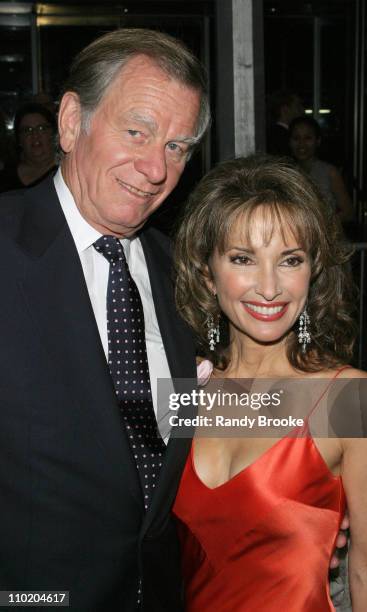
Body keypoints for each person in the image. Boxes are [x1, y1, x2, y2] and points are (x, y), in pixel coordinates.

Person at [0, 28, 210, 611]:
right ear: (72, 122)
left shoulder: (182, 273)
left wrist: (352, 431)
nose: (155, 168)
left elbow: (185, 414)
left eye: (177, 146)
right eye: (137, 131)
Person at [173, 155, 367, 611]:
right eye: (243, 259)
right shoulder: (180, 391)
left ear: (312, 272)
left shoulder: (352, 400)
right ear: (207, 273)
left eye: (290, 260)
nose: (270, 287)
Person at [289, 116, 354, 224]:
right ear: (290, 142)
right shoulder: (288, 173)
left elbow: (349, 213)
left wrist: (322, 225)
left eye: (308, 138)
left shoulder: (330, 172)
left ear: (318, 141)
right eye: (296, 138)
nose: (301, 144)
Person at [0, 102, 57, 192]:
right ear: (19, 139)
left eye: (41, 128)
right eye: (27, 130)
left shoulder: (65, 173)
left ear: (52, 133)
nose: (35, 135)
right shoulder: (5, 177)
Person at [267, 90, 304, 155]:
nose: (302, 110)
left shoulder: (270, 133)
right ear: (285, 109)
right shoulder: (283, 137)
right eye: (298, 106)